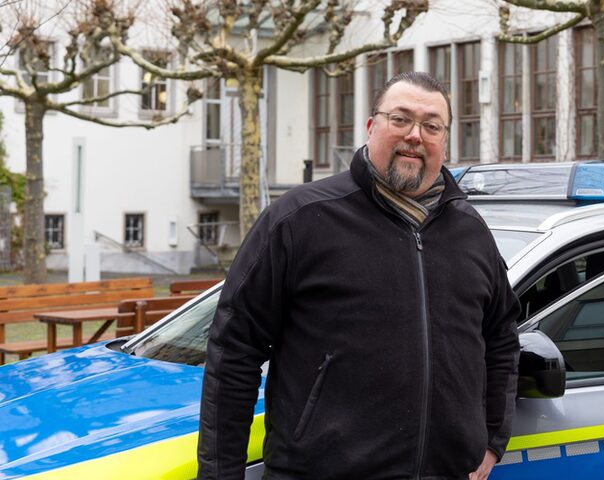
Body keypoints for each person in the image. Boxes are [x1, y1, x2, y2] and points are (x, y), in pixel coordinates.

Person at [197, 72, 521, 480]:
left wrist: (491, 439)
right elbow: (234, 351)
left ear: (444, 139)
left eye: (431, 125)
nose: (415, 136)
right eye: (400, 119)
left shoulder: (471, 231)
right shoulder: (300, 219)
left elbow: (502, 337)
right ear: (371, 127)